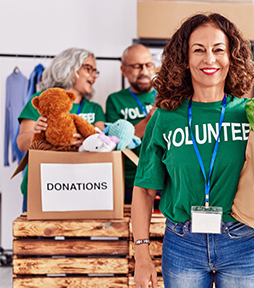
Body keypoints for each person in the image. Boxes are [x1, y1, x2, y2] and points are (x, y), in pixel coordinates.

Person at [131, 13, 254, 288]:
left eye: (218, 50)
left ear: (232, 57)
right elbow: (144, 189)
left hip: (242, 241)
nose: (209, 59)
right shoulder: (165, 117)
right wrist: (142, 254)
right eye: (198, 50)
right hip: (183, 245)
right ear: (184, 59)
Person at [17, 48, 106, 212]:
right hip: (42, 185)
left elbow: (103, 142)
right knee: (36, 236)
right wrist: (36, 132)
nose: (94, 75)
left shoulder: (95, 108)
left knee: (80, 236)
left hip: (82, 186)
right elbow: (22, 144)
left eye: (95, 71)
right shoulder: (41, 101)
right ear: (69, 68)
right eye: (88, 68)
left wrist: (88, 141)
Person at [105, 44, 157, 204]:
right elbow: (118, 141)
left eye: (148, 65)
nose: (144, 71)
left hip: (165, 178)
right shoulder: (115, 100)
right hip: (129, 180)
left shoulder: (167, 95)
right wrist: (150, 118)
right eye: (136, 66)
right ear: (123, 70)